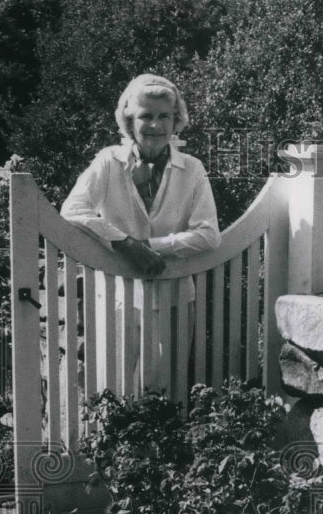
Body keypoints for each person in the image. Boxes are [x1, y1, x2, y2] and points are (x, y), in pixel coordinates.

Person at [61, 73, 221, 391]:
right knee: (112, 388)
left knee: (166, 393)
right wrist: (124, 243)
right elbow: (72, 211)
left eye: (165, 116)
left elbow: (209, 234)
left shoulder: (192, 168)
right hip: (117, 295)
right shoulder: (108, 162)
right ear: (129, 120)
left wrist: (150, 245)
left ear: (176, 122)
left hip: (174, 296)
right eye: (146, 116)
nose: (155, 125)